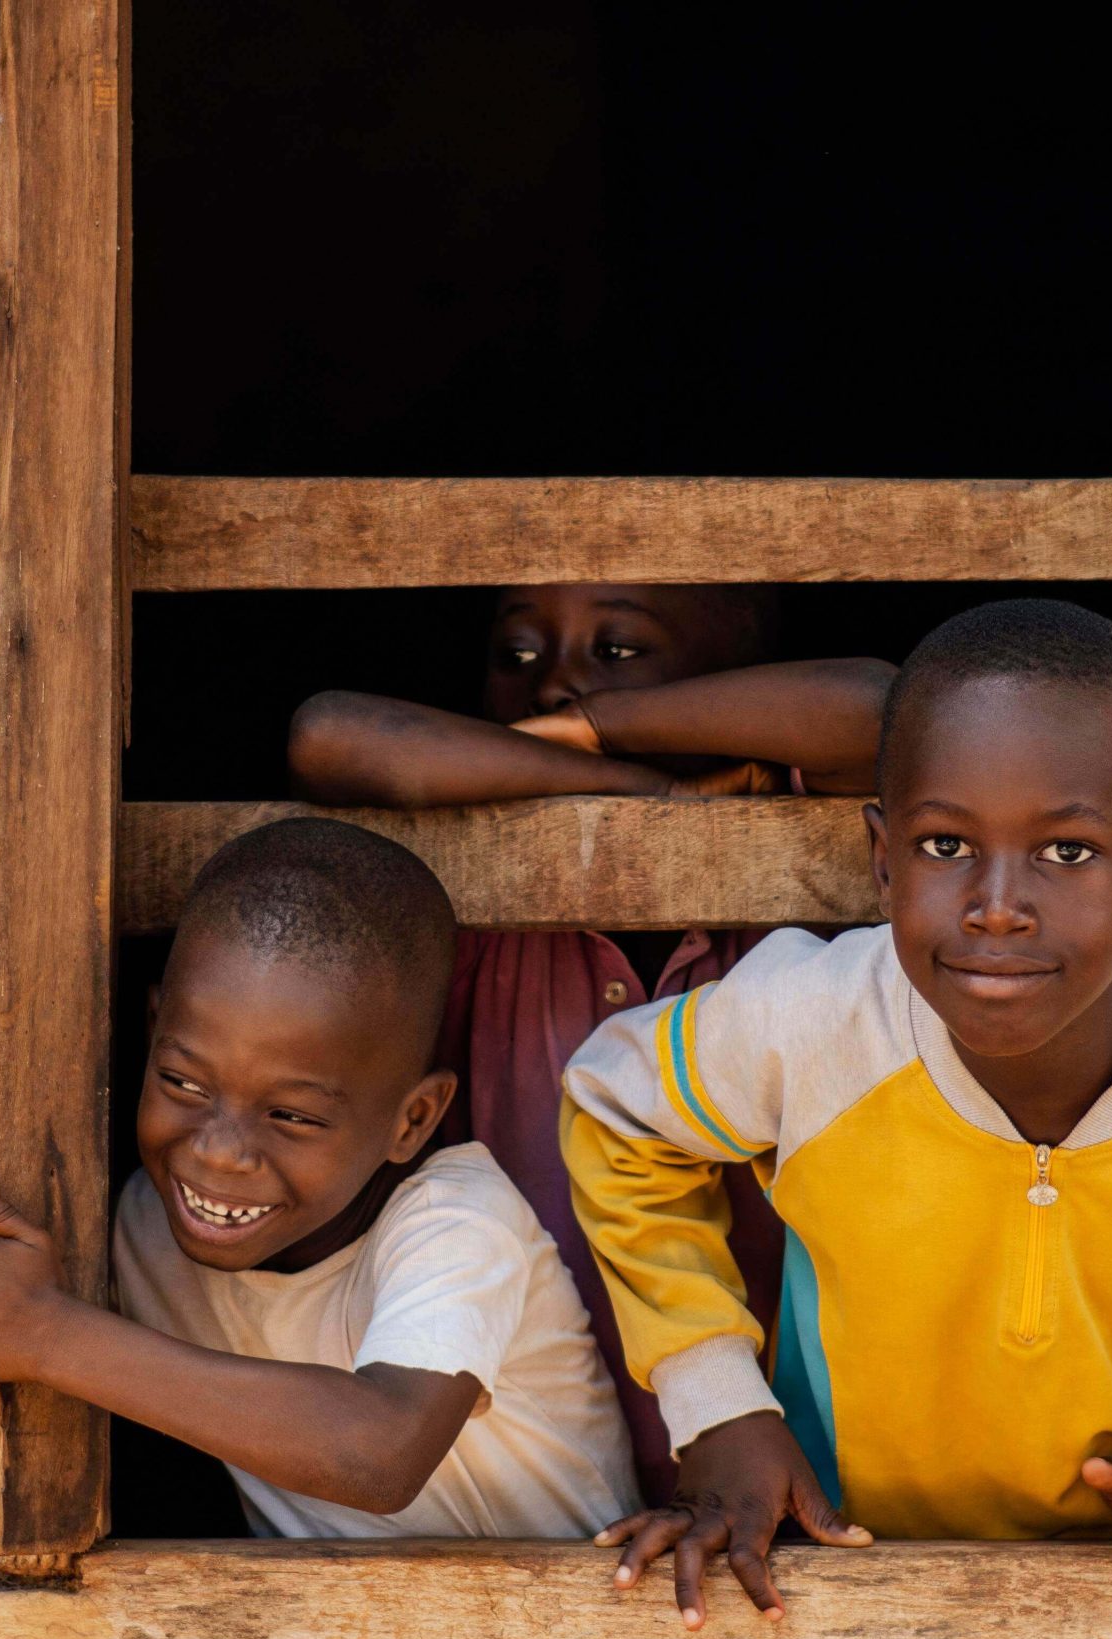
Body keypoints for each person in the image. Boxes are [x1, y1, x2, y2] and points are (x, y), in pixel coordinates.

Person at [562, 599, 1112, 1625]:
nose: (998, 903)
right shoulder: (816, 1020)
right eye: (945, 845)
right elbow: (616, 1106)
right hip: (833, 1566)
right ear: (881, 859)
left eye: (1068, 854)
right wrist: (717, 1407)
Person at [287, 583, 893, 1500]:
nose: (555, 687)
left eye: (618, 654)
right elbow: (329, 736)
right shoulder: (472, 897)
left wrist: (604, 727)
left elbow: (883, 712)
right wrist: (640, 788)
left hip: (780, 1463)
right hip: (535, 1480)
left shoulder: (790, 858)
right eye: (519, 656)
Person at [0, 818, 637, 1539]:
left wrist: (48, 1332)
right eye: (182, 1081)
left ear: (413, 1119)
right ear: (149, 1030)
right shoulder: (137, 1230)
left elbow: (382, 1452)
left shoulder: (459, 1221)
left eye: (292, 1116)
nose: (222, 1152)